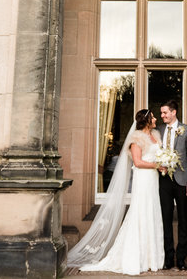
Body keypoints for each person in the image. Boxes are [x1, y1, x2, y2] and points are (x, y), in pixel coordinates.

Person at [65, 109, 165, 275]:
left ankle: (152, 258)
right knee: (141, 212)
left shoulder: (155, 135)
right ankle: (135, 257)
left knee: (152, 211)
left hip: (153, 180)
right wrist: (157, 165)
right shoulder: (136, 139)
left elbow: (157, 155)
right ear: (147, 120)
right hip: (143, 179)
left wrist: (163, 163)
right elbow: (138, 162)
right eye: (153, 116)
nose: (155, 119)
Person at [157, 99, 187, 271]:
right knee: (165, 220)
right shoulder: (158, 130)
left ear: (174, 112)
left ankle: (181, 259)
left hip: (182, 181)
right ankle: (167, 258)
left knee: (183, 220)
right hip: (164, 180)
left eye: (165, 112)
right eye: (161, 113)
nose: (162, 116)